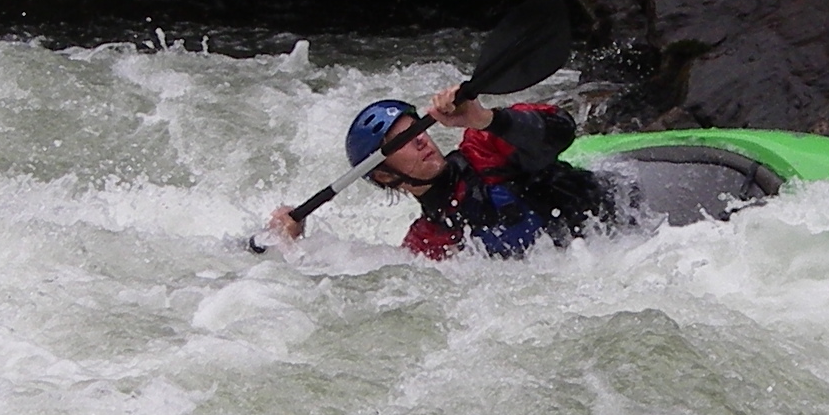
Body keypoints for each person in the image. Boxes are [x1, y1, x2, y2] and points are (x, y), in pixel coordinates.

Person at [264, 86, 616, 259]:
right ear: (385, 175)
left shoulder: (483, 146)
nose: (420, 139)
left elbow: (561, 129)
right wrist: (290, 244)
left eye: (417, 129)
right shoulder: (427, 242)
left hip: (626, 216)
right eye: (402, 141)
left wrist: (487, 119)